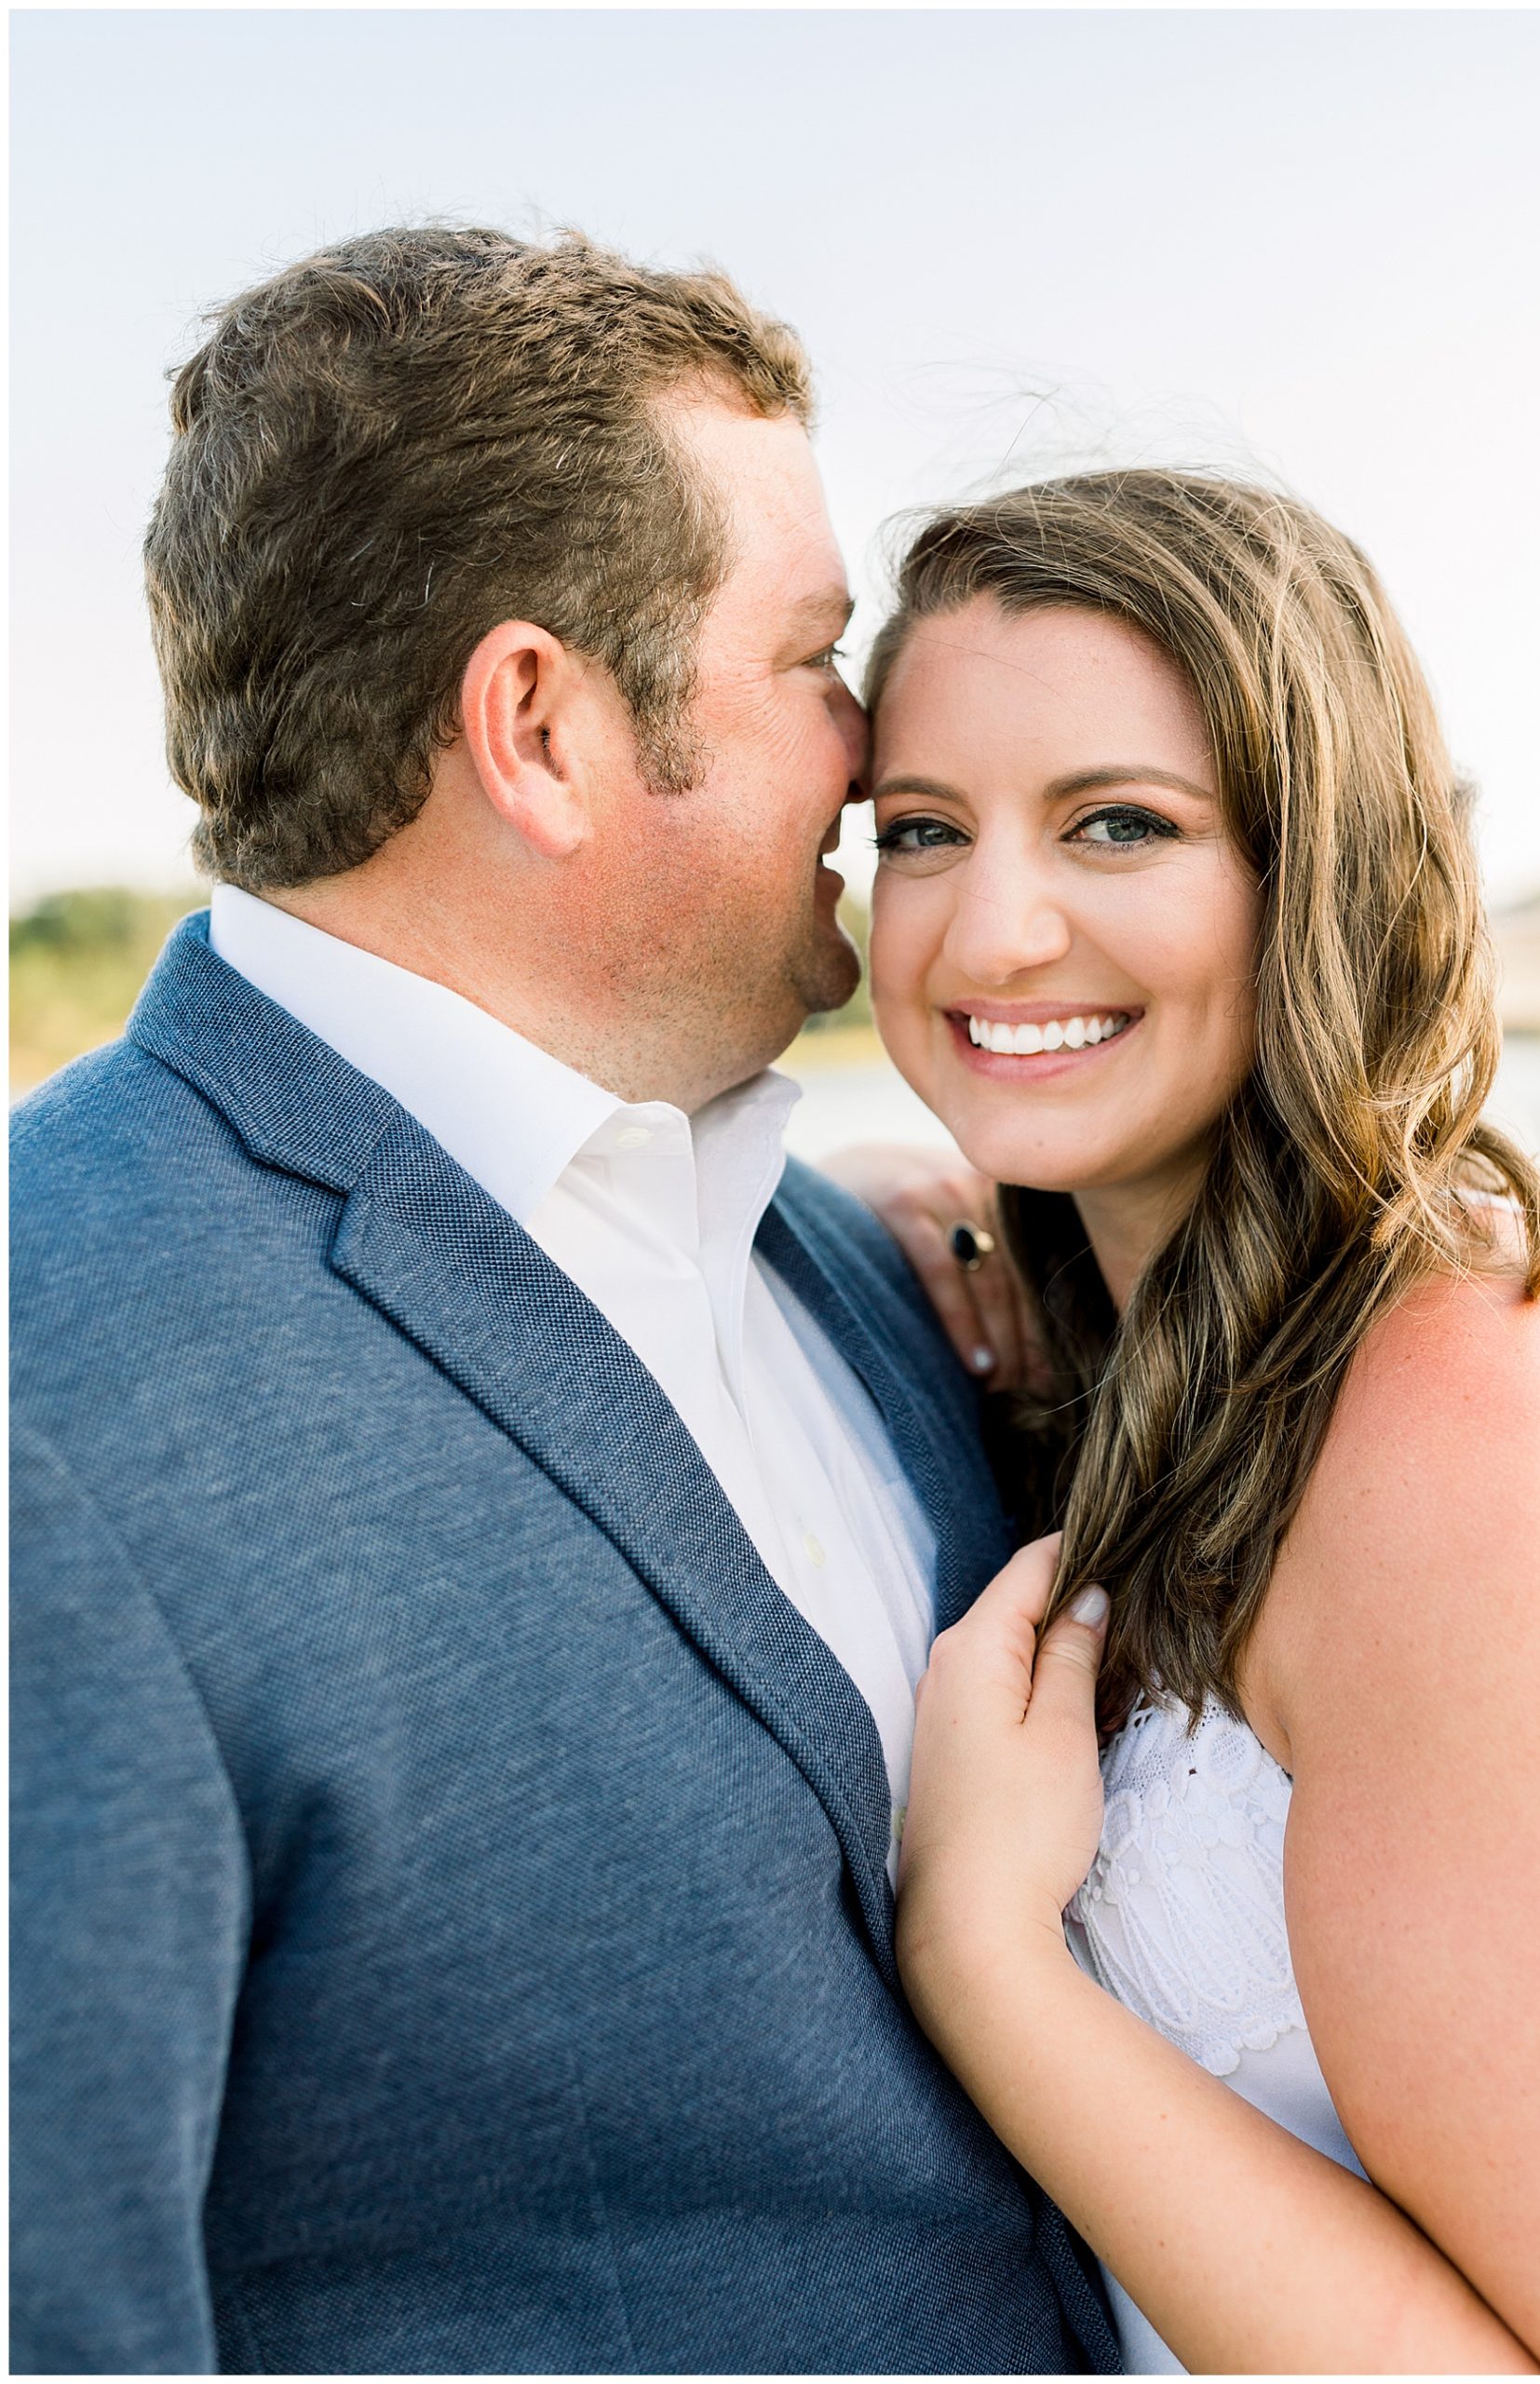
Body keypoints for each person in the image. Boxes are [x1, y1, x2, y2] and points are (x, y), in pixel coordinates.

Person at [9, 229, 1120, 2376]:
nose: (874, 734)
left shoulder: (841, 1256)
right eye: (811, 654)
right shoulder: (47, 1400)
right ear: (538, 719)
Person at [838, 469, 1540, 2373]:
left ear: (1310, 864)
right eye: (919, 830)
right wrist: (888, 1195)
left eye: (1117, 823)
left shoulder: (1437, 1413)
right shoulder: (1127, 1333)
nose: (987, 931)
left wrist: (979, 1959)